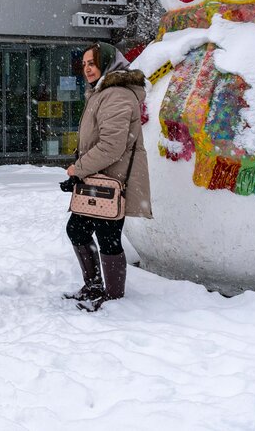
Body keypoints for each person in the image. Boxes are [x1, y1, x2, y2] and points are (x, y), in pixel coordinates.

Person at [63, 42, 151, 312]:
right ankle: (94, 285)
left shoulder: (117, 95)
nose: (87, 68)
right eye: (85, 64)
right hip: (97, 180)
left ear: (109, 63)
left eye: (93, 63)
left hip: (113, 182)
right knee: (77, 229)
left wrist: (79, 168)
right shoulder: (101, 92)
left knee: (108, 237)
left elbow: (112, 146)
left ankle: (113, 297)